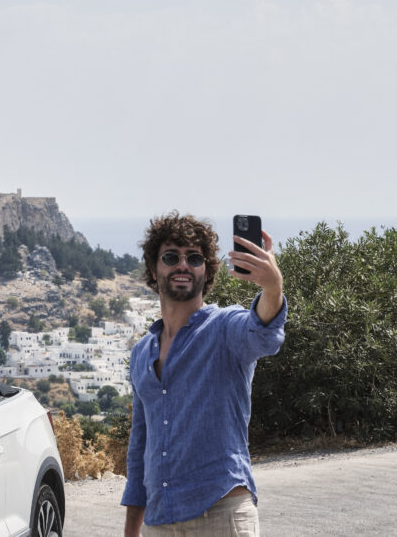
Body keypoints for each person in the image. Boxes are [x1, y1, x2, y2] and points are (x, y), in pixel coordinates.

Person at [121, 212, 286, 537]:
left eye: (194, 258)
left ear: (206, 271)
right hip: (160, 523)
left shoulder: (225, 328)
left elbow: (262, 332)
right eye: (171, 257)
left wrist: (272, 288)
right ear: (154, 270)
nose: (182, 265)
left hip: (221, 517)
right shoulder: (142, 353)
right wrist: (130, 531)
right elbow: (139, 452)